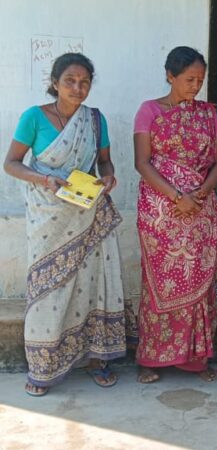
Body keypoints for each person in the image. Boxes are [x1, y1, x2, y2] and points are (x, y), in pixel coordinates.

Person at [3, 53, 133, 396]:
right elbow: (12, 164)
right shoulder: (34, 117)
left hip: (87, 213)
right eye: (70, 81)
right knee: (49, 288)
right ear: (55, 82)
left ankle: (96, 358)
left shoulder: (94, 120)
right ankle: (42, 366)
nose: (78, 88)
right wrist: (43, 180)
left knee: (92, 287)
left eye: (85, 82)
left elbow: (105, 164)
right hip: (48, 216)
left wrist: (108, 179)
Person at [133, 46, 217, 384]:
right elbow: (142, 162)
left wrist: (200, 194)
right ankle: (151, 358)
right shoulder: (149, 111)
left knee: (200, 285)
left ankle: (195, 358)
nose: (195, 86)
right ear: (170, 76)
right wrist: (176, 196)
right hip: (160, 212)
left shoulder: (208, 114)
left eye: (200, 81)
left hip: (200, 208)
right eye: (189, 79)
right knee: (160, 283)